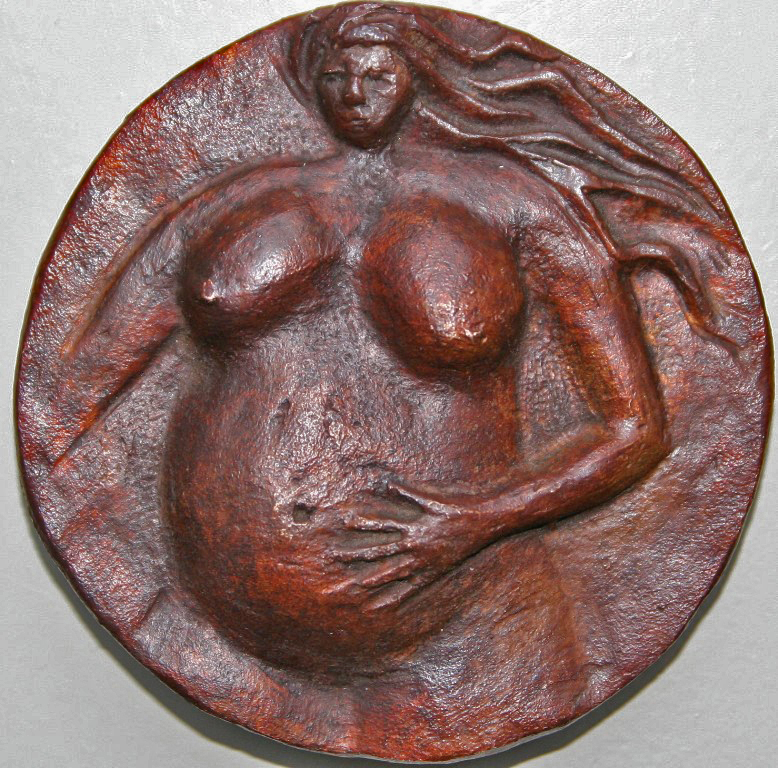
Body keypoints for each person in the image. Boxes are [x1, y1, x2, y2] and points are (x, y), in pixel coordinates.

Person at [50, 3, 731, 671]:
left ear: (421, 79)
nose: (355, 94)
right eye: (336, 76)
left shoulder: (515, 204)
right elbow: (81, 375)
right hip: (211, 625)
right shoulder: (232, 203)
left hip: (473, 638)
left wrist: (479, 520)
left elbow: (636, 427)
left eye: (378, 75)